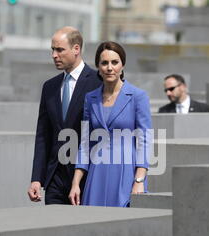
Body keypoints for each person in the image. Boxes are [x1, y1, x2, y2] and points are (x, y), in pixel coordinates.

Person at [68, 41, 152, 207]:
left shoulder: (137, 96)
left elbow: (145, 140)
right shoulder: (90, 98)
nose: (109, 67)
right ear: (98, 67)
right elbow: (85, 143)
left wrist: (139, 180)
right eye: (104, 63)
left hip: (126, 171)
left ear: (122, 65)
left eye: (115, 62)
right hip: (97, 172)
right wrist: (76, 183)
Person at [28, 27, 102, 204]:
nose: (54, 55)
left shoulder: (97, 82)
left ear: (76, 49)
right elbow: (43, 135)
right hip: (55, 178)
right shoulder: (50, 87)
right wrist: (37, 178)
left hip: (87, 176)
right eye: (52, 50)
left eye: (60, 49)